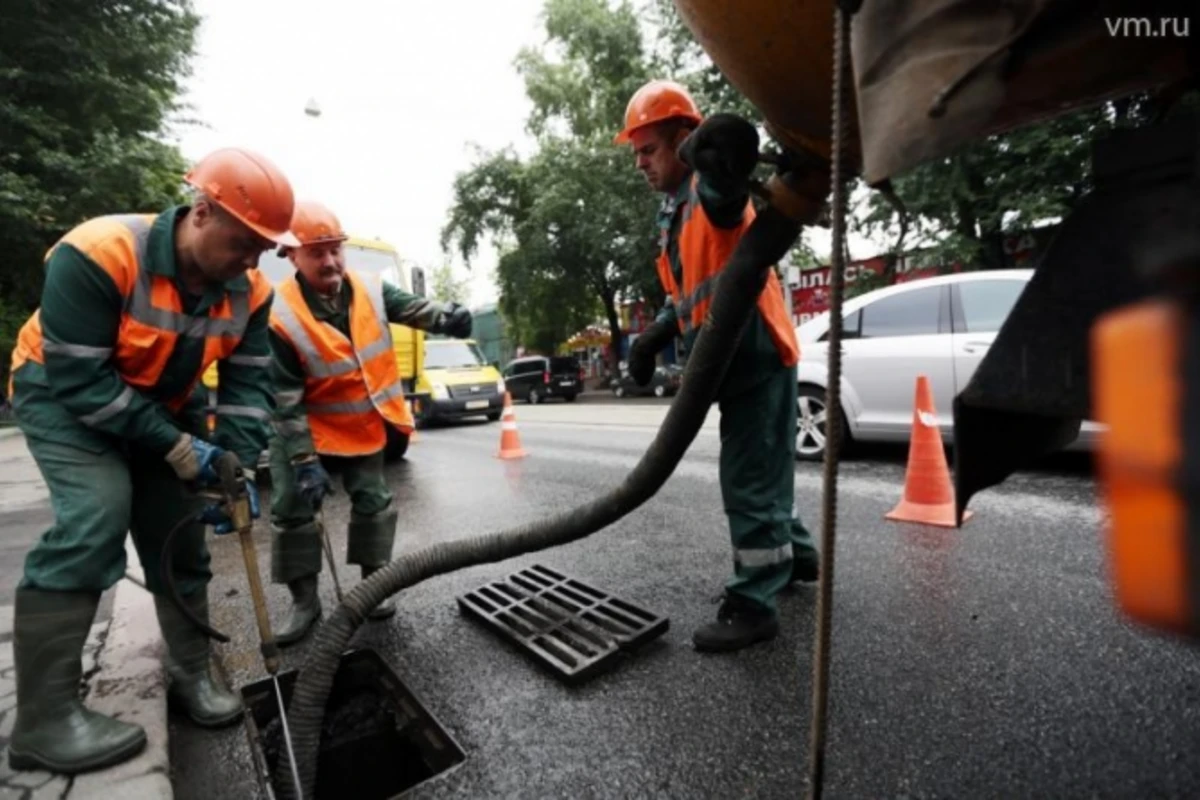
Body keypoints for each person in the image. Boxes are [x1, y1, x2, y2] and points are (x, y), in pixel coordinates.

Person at [5, 147, 298, 773]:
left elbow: (248, 392)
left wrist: (232, 468)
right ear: (201, 212)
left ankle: (191, 670)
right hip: (59, 391)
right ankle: (43, 720)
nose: (253, 261)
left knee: (179, 530)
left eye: (263, 250)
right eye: (244, 242)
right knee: (96, 516)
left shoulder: (250, 294)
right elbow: (82, 382)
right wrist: (179, 448)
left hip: (162, 398)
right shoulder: (100, 252)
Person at [615, 80, 821, 652]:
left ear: (685, 142)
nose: (640, 163)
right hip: (732, 364)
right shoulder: (672, 217)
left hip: (752, 354)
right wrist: (651, 338)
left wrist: (725, 164)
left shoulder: (707, 188)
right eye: (636, 153)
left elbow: (729, 201)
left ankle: (754, 604)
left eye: (648, 149)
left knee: (748, 482)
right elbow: (681, 296)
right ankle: (798, 557)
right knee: (761, 472)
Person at [266, 200, 474, 644]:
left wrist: (447, 318)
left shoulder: (372, 290)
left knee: (373, 502)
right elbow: (283, 399)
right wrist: (303, 461)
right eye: (316, 252)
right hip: (301, 428)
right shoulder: (279, 315)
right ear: (292, 257)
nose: (329, 260)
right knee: (290, 510)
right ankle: (305, 603)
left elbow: (418, 308)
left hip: (360, 422)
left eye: (334, 249)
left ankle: (372, 589)